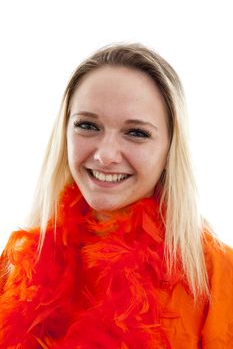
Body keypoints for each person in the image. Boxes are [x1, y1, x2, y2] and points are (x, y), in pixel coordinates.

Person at [0, 43, 232, 349]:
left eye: (136, 132)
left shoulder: (216, 276)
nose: (105, 155)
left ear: (170, 149)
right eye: (87, 125)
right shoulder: (19, 262)